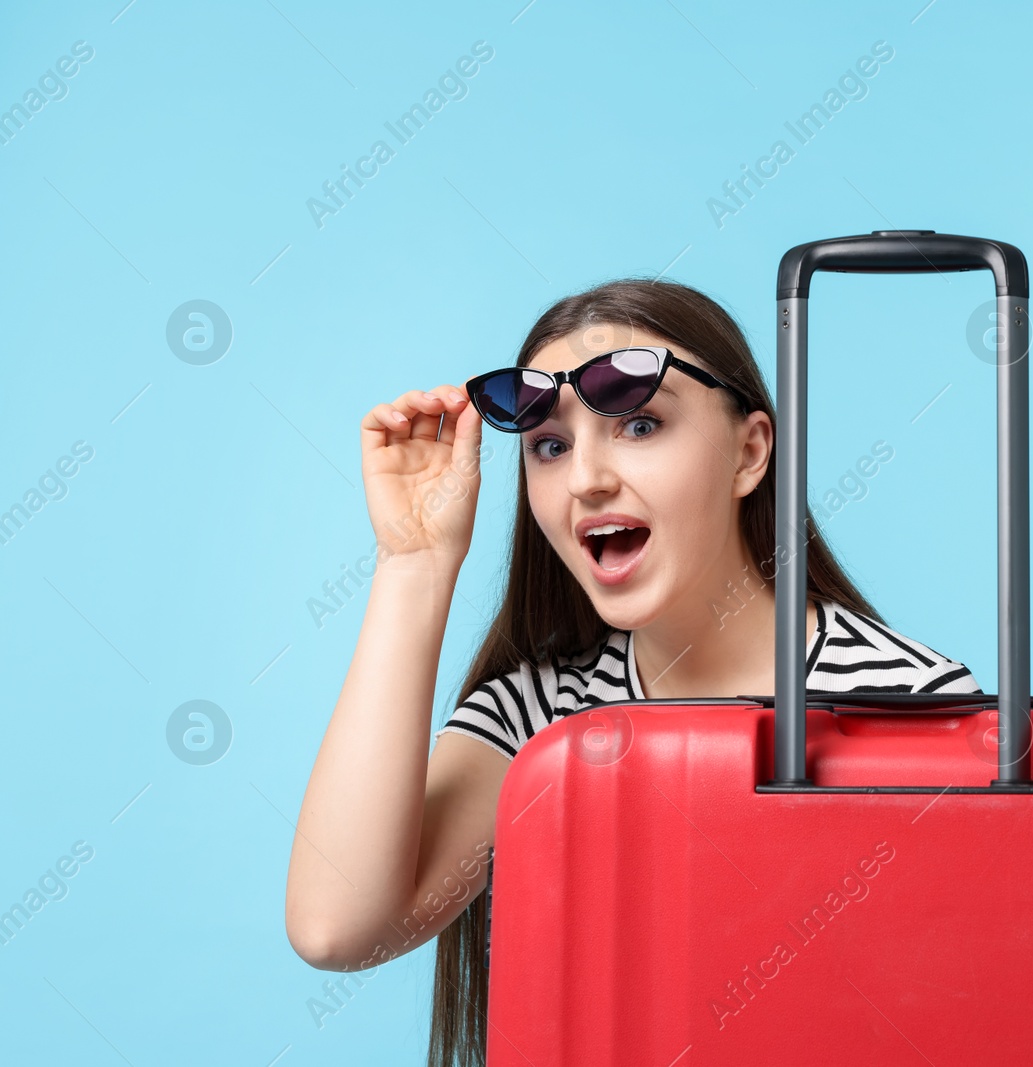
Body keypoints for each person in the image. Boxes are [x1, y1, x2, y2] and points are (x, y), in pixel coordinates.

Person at [284, 278, 980, 1065]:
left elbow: (949, 1007)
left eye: (640, 424)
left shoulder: (909, 704)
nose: (585, 478)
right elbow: (338, 926)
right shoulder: (538, 720)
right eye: (550, 444)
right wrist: (414, 563)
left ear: (750, 452)